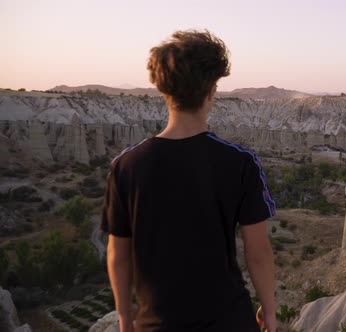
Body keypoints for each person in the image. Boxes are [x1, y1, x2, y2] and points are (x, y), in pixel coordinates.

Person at [101, 29, 277, 332]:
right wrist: (269, 310)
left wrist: (124, 314)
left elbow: (118, 253)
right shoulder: (240, 163)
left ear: (162, 90)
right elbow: (257, 251)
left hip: (157, 323)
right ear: (211, 91)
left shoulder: (126, 166)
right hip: (229, 321)